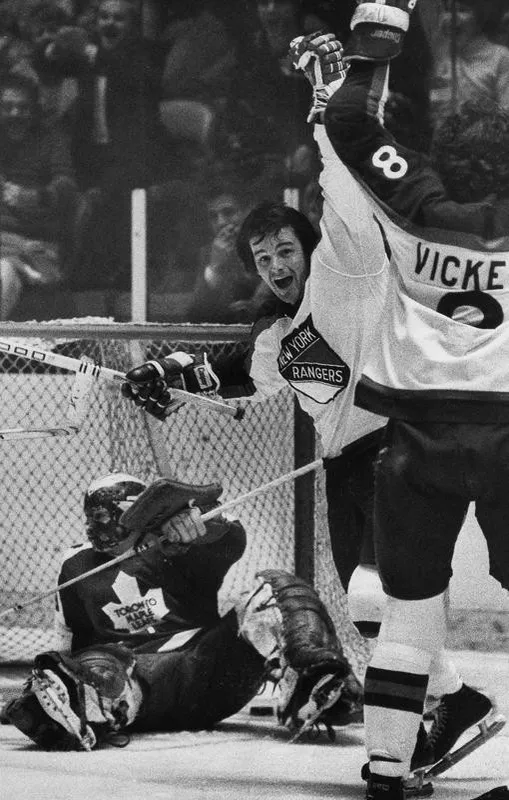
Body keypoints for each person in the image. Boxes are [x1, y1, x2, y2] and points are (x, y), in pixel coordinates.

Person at [119, 44, 489, 775]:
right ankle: (450, 700)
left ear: (307, 247)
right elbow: (248, 380)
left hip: (397, 443)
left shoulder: (343, 278)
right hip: (347, 467)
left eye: (283, 249)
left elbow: (345, 195)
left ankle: (433, 714)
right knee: (355, 609)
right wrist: (167, 373)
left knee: (385, 602)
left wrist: (325, 109)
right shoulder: (275, 335)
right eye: (261, 258)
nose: (275, 265)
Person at [300, 5, 509, 798]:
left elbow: (351, 115)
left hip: (417, 444)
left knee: (409, 615)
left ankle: (386, 771)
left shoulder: (417, 208)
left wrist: (382, 18)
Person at [3, 471, 362, 749]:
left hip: (208, 671)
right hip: (136, 688)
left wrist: (199, 524)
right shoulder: (76, 565)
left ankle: (315, 678)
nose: (97, 526)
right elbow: (70, 640)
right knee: (96, 664)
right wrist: (61, 679)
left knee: (273, 588)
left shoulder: (180, 545)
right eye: (92, 516)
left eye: (106, 515)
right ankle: (84, 706)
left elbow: (232, 537)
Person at [0, 71, 77, 319]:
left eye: (23, 108)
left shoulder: (51, 141)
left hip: (35, 241)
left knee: (4, 272)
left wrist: (32, 197)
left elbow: (66, 189)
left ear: (35, 110)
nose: (15, 114)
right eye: (7, 107)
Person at [429, 0, 509, 130]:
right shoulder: (444, 57)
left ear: (480, 18)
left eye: (462, 10)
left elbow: (506, 115)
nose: (451, 18)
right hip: (446, 144)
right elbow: (438, 108)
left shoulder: (501, 58)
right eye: (448, 10)